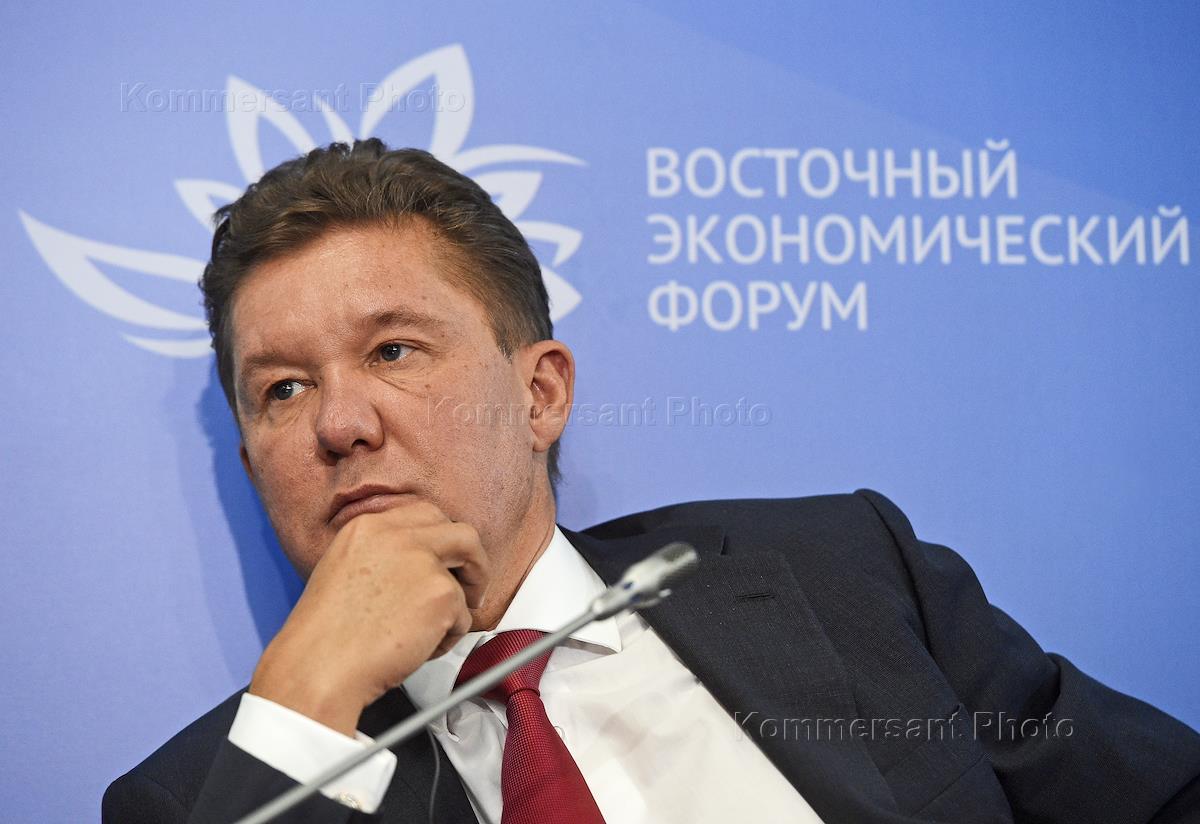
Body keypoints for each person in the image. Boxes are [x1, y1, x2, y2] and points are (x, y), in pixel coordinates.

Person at [102, 140, 1200, 824]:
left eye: (394, 350)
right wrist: (303, 710)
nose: (340, 423)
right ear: (252, 456)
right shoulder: (202, 793)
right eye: (283, 389)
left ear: (540, 394)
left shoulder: (847, 572)